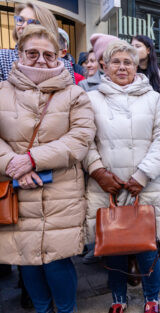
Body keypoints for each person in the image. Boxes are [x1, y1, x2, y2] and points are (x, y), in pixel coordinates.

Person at [0, 25, 95, 313]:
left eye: (48, 55)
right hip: (18, 190)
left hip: (61, 191)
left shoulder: (75, 94)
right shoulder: (2, 91)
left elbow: (80, 137)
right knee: (27, 258)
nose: (41, 60)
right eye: (32, 53)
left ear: (59, 57)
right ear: (19, 54)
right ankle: (42, 310)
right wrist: (12, 165)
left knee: (58, 260)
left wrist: (32, 159)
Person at [84, 40, 160, 313]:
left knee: (148, 248)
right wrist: (98, 171)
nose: (122, 67)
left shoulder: (153, 97)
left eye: (128, 62)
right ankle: (118, 300)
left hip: (144, 185)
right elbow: (84, 141)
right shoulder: (90, 98)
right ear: (105, 66)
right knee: (115, 249)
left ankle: (152, 299)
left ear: (136, 66)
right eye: (116, 62)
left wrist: (143, 174)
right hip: (107, 186)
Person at [0, 1, 75, 83]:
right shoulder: (2, 58)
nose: (23, 26)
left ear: (47, 28)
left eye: (32, 22)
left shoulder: (64, 65)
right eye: (20, 20)